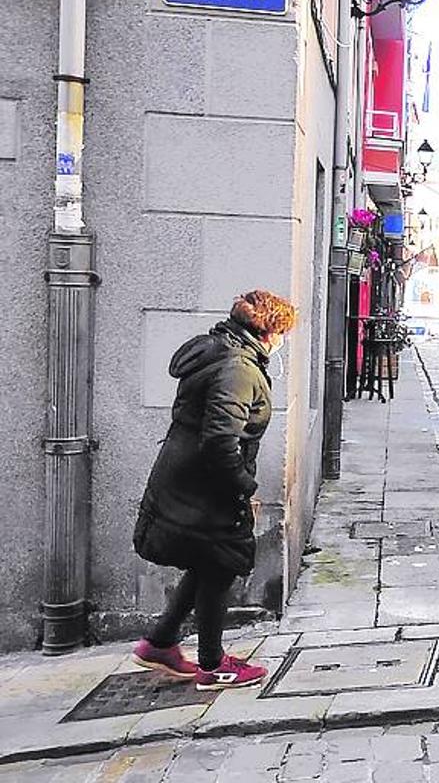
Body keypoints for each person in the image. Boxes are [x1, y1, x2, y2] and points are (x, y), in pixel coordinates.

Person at [131, 289, 298, 691]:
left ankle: (160, 643)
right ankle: (212, 665)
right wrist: (243, 486)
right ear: (269, 330)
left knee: (207, 560)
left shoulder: (220, 349)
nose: (284, 342)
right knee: (221, 562)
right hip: (205, 483)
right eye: (283, 333)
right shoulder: (239, 367)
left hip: (186, 475)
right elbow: (220, 440)